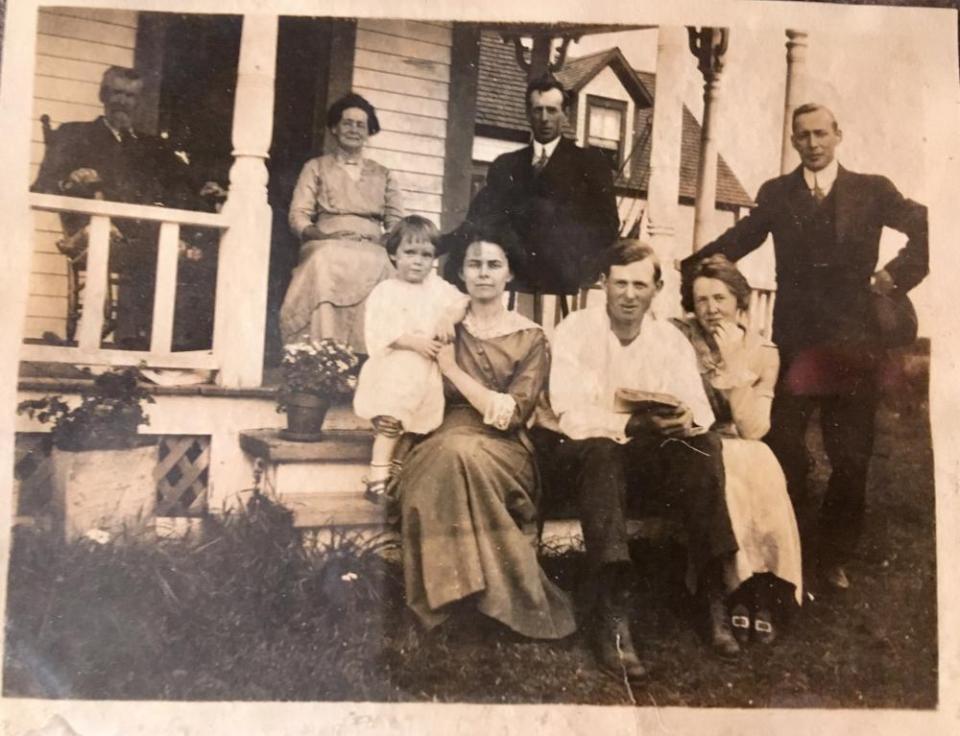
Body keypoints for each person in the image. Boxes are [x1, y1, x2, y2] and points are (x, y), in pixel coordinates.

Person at [682, 103, 928, 591]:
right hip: (795, 348)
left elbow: (928, 226)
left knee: (852, 457)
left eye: (820, 134)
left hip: (856, 348)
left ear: (838, 135)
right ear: (793, 141)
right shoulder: (778, 194)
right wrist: (688, 268)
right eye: (803, 136)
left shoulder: (872, 190)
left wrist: (894, 276)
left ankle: (832, 555)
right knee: (783, 447)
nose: (812, 143)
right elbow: (741, 237)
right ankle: (784, 547)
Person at [542, 239, 740, 679]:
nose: (629, 294)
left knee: (702, 446)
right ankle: (613, 614)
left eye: (639, 285)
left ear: (657, 289)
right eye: (619, 283)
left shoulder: (668, 339)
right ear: (603, 285)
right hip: (582, 462)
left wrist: (686, 416)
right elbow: (570, 415)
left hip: (647, 465)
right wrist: (632, 426)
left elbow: (702, 412)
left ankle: (713, 596)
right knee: (602, 449)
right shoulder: (575, 330)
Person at [397, 227, 576, 640]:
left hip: (504, 447)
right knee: (447, 456)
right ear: (460, 273)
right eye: (474, 265)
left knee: (458, 456)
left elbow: (511, 414)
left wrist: (453, 370)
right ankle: (461, 604)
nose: (483, 274)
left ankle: (452, 604)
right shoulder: (443, 327)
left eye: (494, 265)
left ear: (509, 274)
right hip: (441, 434)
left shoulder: (531, 337)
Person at [32, 66, 214, 349]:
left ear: (138, 101)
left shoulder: (150, 146)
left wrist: (206, 186)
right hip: (95, 231)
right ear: (103, 95)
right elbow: (42, 185)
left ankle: (159, 342)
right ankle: (129, 340)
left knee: (188, 249)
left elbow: (186, 182)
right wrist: (70, 181)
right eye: (116, 93)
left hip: (144, 235)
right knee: (162, 248)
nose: (123, 101)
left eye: (131, 96)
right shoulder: (74, 134)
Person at [674, 254, 803, 646]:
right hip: (695, 439)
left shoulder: (764, 351)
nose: (712, 310)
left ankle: (765, 585)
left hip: (743, 440)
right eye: (702, 301)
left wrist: (734, 369)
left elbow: (754, 428)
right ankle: (735, 591)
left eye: (720, 298)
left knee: (761, 463)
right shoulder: (679, 339)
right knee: (725, 467)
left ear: (740, 302)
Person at [441, 75, 619, 315]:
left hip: (565, 284)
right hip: (514, 283)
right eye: (537, 110)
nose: (544, 119)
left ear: (565, 114)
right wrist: (440, 243)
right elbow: (479, 219)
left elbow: (607, 227)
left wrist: (578, 263)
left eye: (552, 110)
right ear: (528, 114)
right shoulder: (506, 165)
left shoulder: (589, 164)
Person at [352, 215, 468, 503]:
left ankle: (395, 471)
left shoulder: (437, 287)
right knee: (392, 421)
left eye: (426, 255)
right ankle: (377, 476)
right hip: (395, 368)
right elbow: (382, 331)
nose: (418, 261)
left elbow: (464, 301)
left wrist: (447, 317)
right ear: (393, 254)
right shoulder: (386, 291)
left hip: (425, 374)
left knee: (414, 427)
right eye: (410, 253)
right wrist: (413, 342)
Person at [280, 93, 405, 354]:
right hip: (327, 242)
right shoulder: (315, 167)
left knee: (384, 264)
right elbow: (298, 214)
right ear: (334, 128)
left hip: (370, 245)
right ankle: (322, 352)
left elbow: (396, 220)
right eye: (347, 123)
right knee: (324, 260)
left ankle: (368, 353)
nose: (354, 130)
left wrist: (386, 239)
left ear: (369, 131)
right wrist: (318, 236)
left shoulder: (384, 174)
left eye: (361, 125)